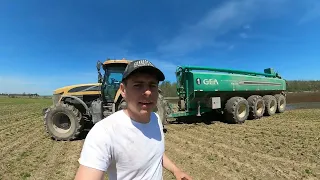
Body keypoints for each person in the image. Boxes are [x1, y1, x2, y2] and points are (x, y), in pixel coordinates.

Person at [74, 59, 192, 180]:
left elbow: (155, 153)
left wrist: (176, 170)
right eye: (138, 85)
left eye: (152, 85)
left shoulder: (155, 119)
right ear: (123, 90)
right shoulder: (104, 132)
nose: (147, 92)